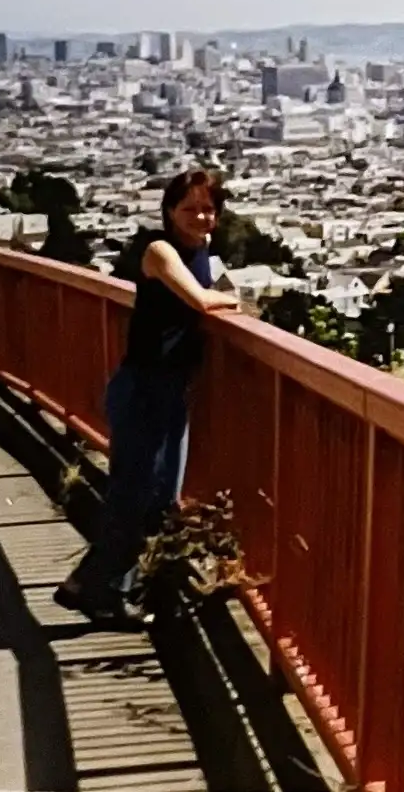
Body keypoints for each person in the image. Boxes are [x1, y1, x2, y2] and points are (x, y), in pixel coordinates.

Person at [57, 167, 242, 628]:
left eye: (208, 208)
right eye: (190, 207)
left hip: (169, 389)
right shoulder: (160, 251)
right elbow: (202, 301)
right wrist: (233, 301)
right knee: (133, 496)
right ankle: (108, 595)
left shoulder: (203, 253)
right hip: (142, 387)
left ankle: (89, 583)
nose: (201, 215)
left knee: (160, 498)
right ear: (168, 211)